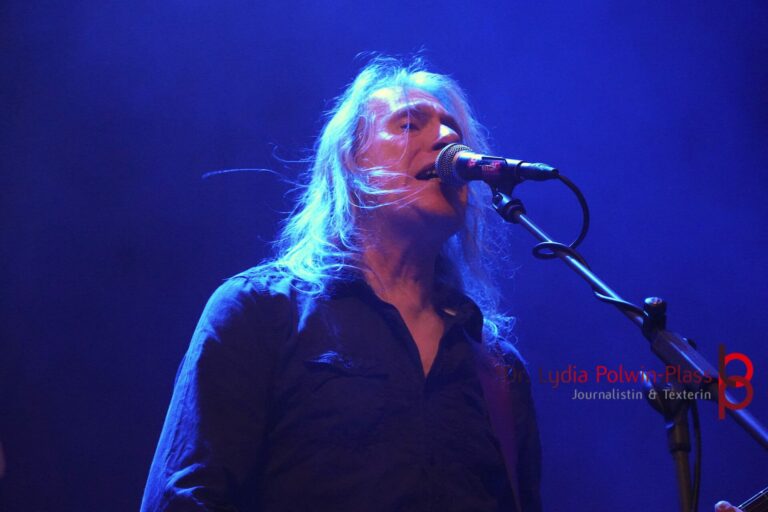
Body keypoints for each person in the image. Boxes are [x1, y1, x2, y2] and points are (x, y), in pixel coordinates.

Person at [140, 56, 743, 512]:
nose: (447, 138)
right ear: (350, 163)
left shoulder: (498, 369)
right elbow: (185, 498)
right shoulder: (259, 312)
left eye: (454, 129)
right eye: (410, 124)